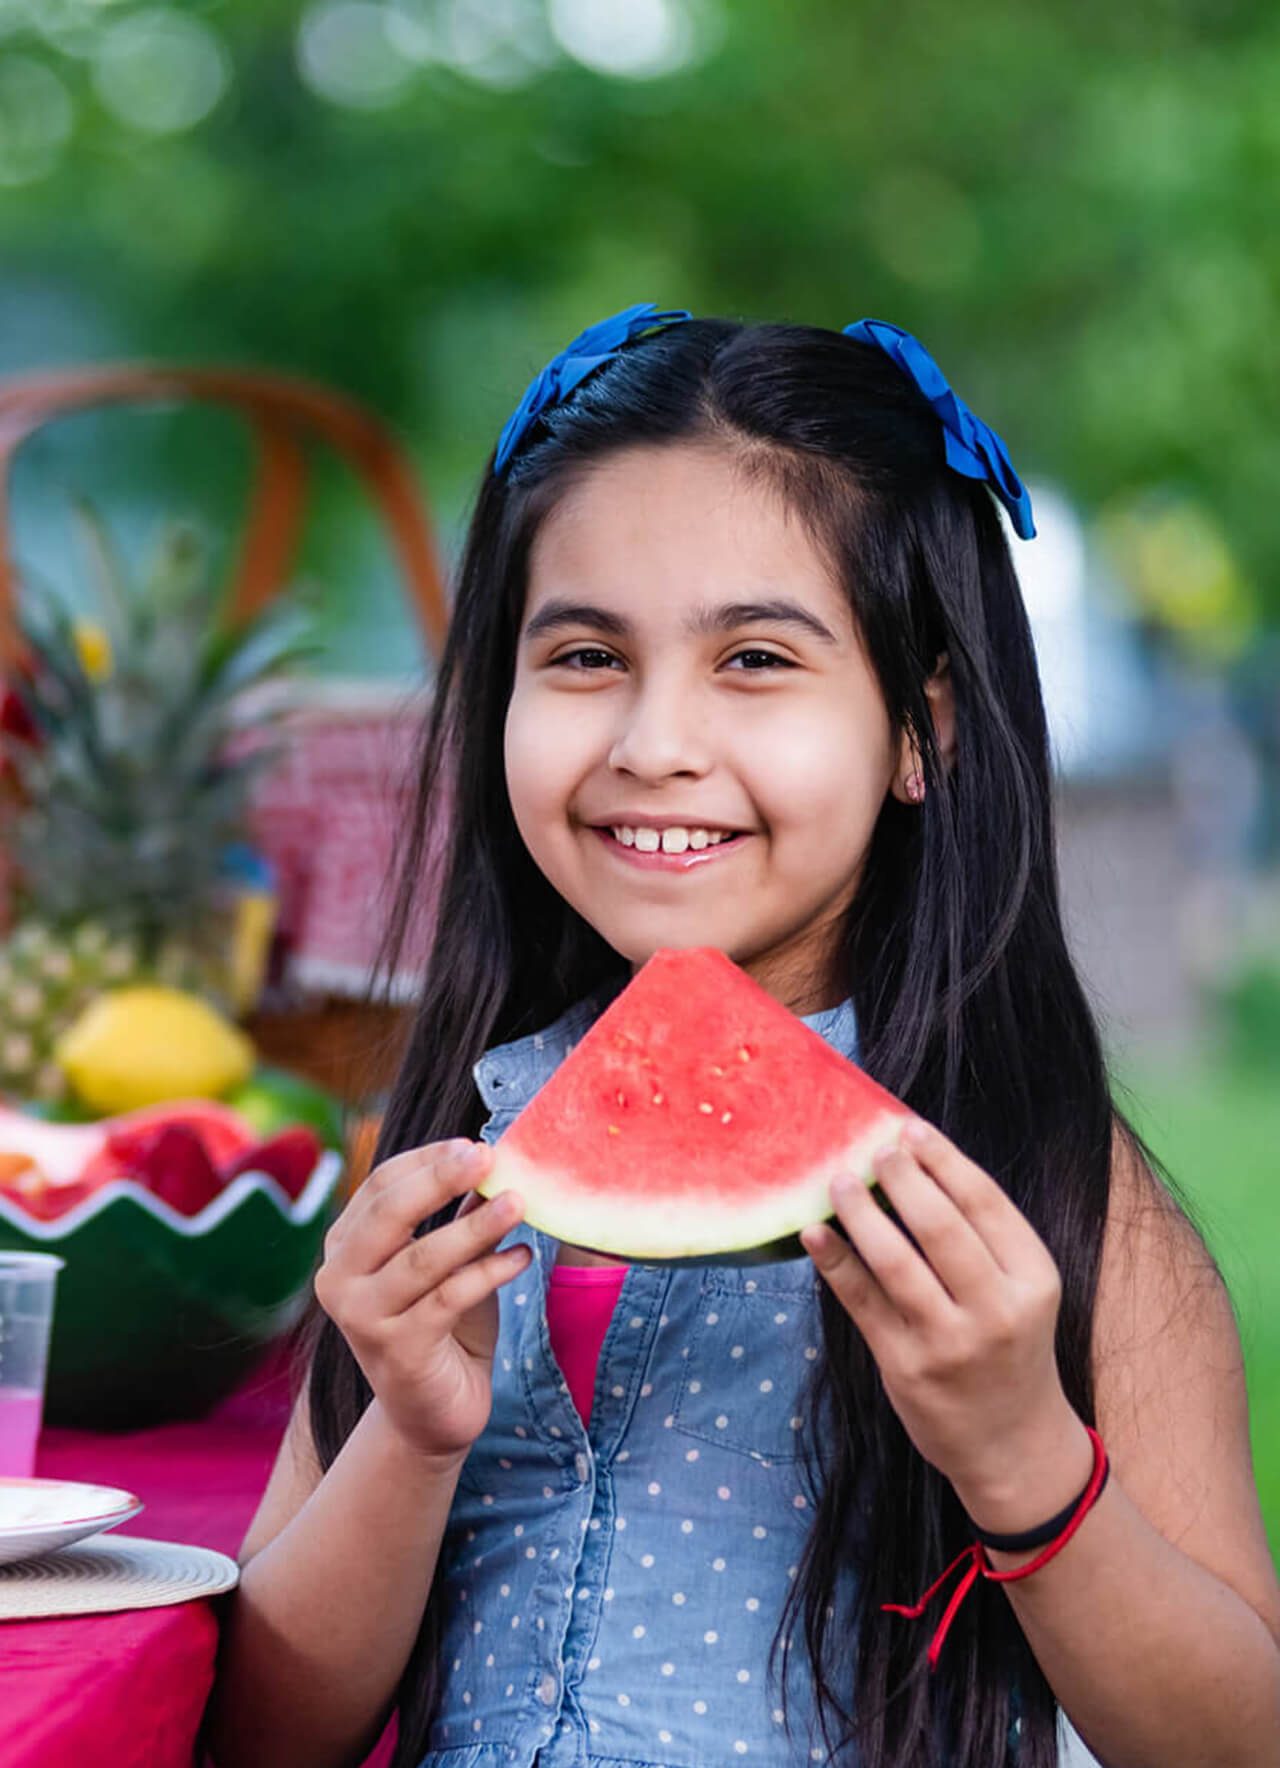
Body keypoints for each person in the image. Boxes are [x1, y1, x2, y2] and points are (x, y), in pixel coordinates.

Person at [205, 307, 1280, 1768]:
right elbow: (265, 1738)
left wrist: (1021, 1454)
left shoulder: (1048, 1184)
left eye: (757, 660)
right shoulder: (449, 1152)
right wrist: (411, 1434)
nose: (654, 740)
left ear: (924, 729)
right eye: (584, 654)